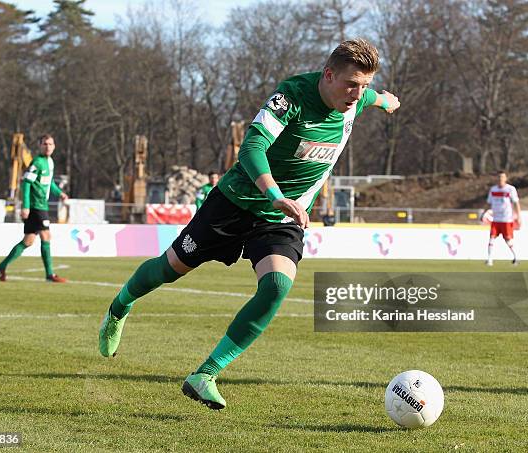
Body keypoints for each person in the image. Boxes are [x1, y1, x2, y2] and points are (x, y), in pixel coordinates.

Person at [98, 38, 400, 409]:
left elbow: (370, 98)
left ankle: (205, 374)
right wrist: (274, 193)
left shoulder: (354, 100)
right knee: (170, 268)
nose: (357, 94)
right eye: (351, 84)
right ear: (328, 75)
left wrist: (385, 100)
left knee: (276, 285)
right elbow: (252, 147)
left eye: (364, 85)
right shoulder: (292, 95)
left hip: (282, 218)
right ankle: (119, 307)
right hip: (235, 203)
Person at [0, 134, 69, 282]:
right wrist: (25, 206)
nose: (48, 147)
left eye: (50, 144)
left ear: (54, 146)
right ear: (40, 146)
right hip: (36, 206)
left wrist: (60, 193)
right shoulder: (37, 163)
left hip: (41, 205)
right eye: (45, 144)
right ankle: (50, 275)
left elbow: (50, 182)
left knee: (28, 241)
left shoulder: (50, 163)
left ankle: (1, 267)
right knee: (46, 236)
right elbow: (26, 184)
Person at [483, 171, 521, 266]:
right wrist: (484, 213)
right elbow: (489, 203)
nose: (500, 179)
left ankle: (516, 257)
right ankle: (490, 259)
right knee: (491, 238)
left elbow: (516, 203)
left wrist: (518, 216)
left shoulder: (510, 189)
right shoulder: (493, 189)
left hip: (506, 219)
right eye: (499, 177)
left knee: (508, 240)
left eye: (502, 177)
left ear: (505, 178)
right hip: (496, 219)